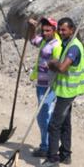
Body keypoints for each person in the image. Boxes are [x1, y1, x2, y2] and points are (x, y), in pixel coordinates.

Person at [44, 17, 84, 166]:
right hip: (65, 89)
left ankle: (52, 159)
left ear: (72, 29)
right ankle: (65, 155)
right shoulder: (67, 43)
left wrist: (52, 65)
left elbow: (63, 68)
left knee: (54, 125)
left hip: (68, 91)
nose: (61, 32)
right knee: (65, 124)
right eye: (60, 29)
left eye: (64, 30)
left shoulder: (74, 47)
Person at [28, 17, 62, 158]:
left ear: (54, 30)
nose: (45, 32)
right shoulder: (43, 40)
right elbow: (32, 39)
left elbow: (58, 64)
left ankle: (47, 147)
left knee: (44, 116)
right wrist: (31, 27)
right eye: (43, 30)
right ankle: (46, 145)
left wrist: (49, 64)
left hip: (50, 86)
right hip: (40, 84)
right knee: (42, 116)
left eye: (48, 30)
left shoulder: (57, 45)